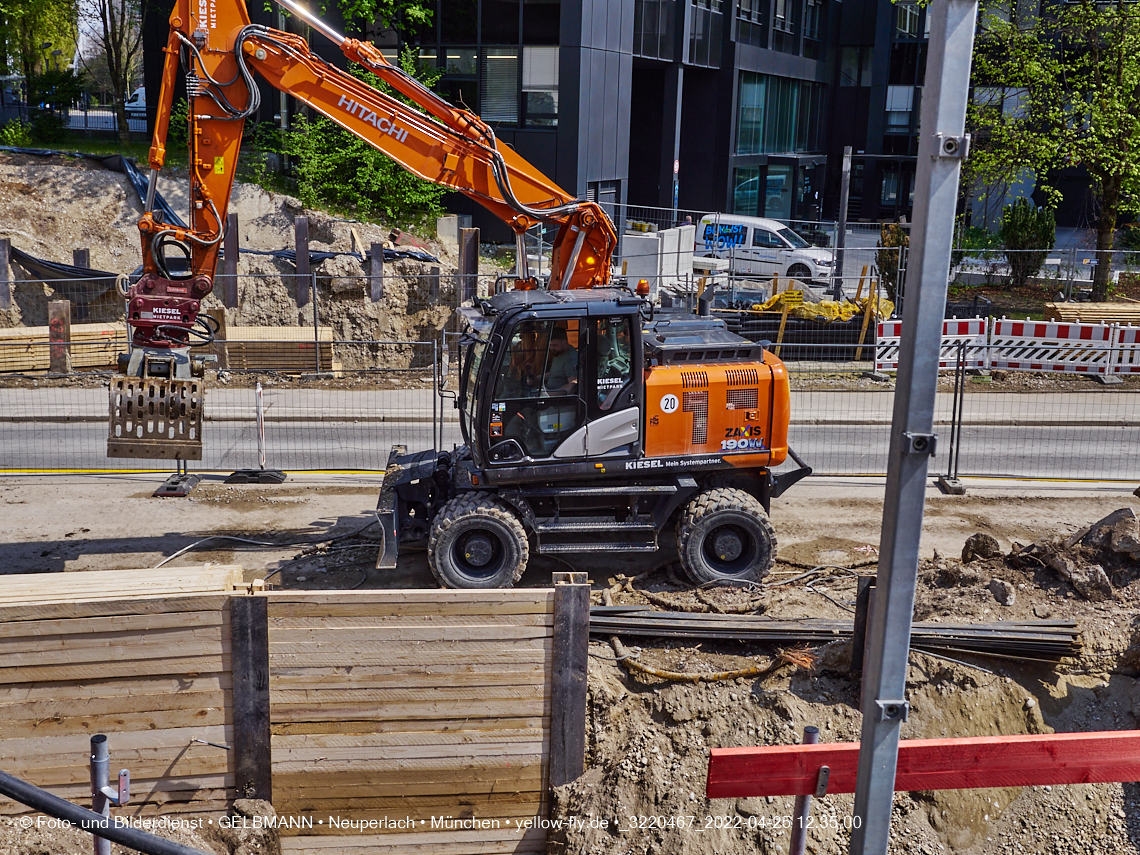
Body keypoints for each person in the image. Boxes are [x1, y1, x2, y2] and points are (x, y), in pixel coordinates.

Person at [545, 325, 578, 394]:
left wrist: (550, 395)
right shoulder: (558, 353)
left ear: (565, 342)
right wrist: (536, 379)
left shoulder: (570, 359)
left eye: (555, 345)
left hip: (558, 400)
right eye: (550, 345)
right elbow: (555, 373)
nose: (552, 348)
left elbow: (573, 384)